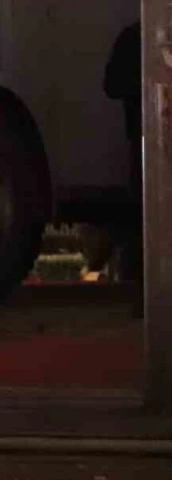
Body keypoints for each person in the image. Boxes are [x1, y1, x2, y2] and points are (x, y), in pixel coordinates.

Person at [103, 21, 142, 316]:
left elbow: (112, 85)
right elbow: (113, 85)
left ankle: (146, 296)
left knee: (143, 218)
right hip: (143, 138)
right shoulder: (133, 37)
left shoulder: (132, 36)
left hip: (142, 138)